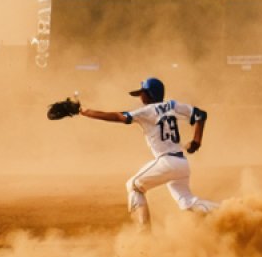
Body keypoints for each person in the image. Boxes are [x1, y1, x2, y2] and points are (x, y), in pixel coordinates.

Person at [73, 77, 218, 227]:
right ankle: (225, 211)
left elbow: (118, 117)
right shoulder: (173, 105)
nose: (140, 97)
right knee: (187, 202)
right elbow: (201, 115)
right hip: (181, 163)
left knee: (134, 186)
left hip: (167, 162)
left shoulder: (147, 111)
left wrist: (84, 111)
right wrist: (196, 141)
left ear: (150, 94)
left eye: (142, 93)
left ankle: (144, 233)